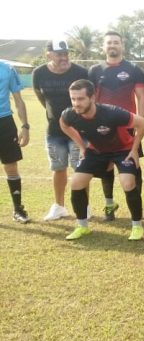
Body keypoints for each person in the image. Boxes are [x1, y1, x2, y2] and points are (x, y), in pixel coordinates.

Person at [59, 79, 144, 240]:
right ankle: (82, 226)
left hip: (123, 150)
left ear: (92, 98)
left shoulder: (112, 112)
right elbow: (64, 125)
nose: (76, 103)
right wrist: (82, 147)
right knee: (76, 183)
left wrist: (134, 149)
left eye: (81, 99)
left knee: (128, 182)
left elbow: (142, 123)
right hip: (97, 151)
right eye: (73, 99)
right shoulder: (70, 114)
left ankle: (137, 226)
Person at [88, 31, 144, 221]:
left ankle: (137, 205)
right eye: (109, 43)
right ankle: (109, 204)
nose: (112, 45)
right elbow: (91, 99)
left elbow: (141, 97)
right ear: (103, 46)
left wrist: (140, 120)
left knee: (134, 163)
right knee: (106, 166)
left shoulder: (133, 69)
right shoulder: (95, 70)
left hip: (128, 126)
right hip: (102, 127)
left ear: (122, 45)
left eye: (116, 42)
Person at [32, 39, 89, 221]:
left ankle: (84, 206)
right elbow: (40, 96)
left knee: (81, 168)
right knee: (58, 168)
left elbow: (88, 99)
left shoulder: (81, 72)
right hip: (54, 131)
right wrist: (53, 115)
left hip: (79, 130)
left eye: (66, 53)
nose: (64, 57)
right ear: (49, 55)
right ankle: (59, 207)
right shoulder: (39, 73)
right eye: (59, 54)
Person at [0, 61, 30, 223]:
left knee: (11, 167)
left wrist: (25, 126)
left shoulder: (7, 69)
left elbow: (18, 100)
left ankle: (18, 209)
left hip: (4, 123)